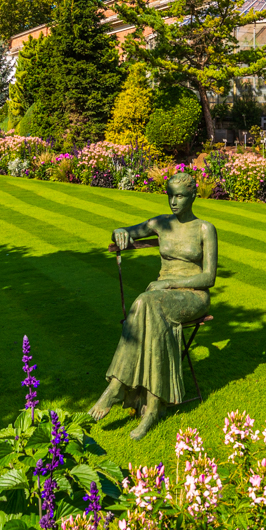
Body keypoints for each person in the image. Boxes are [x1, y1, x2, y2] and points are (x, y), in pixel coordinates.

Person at [90, 171, 217, 440]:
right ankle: (150, 406)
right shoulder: (161, 223)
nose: (173, 201)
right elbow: (126, 231)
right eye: (170, 195)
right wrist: (120, 233)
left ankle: (121, 390)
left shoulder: (205, 228)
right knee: (146, 306)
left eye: (180, 196)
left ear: (193, 196)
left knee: (146, 302)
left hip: (193, 296)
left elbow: (209, 277)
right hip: (157, 299)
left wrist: (167, 285)